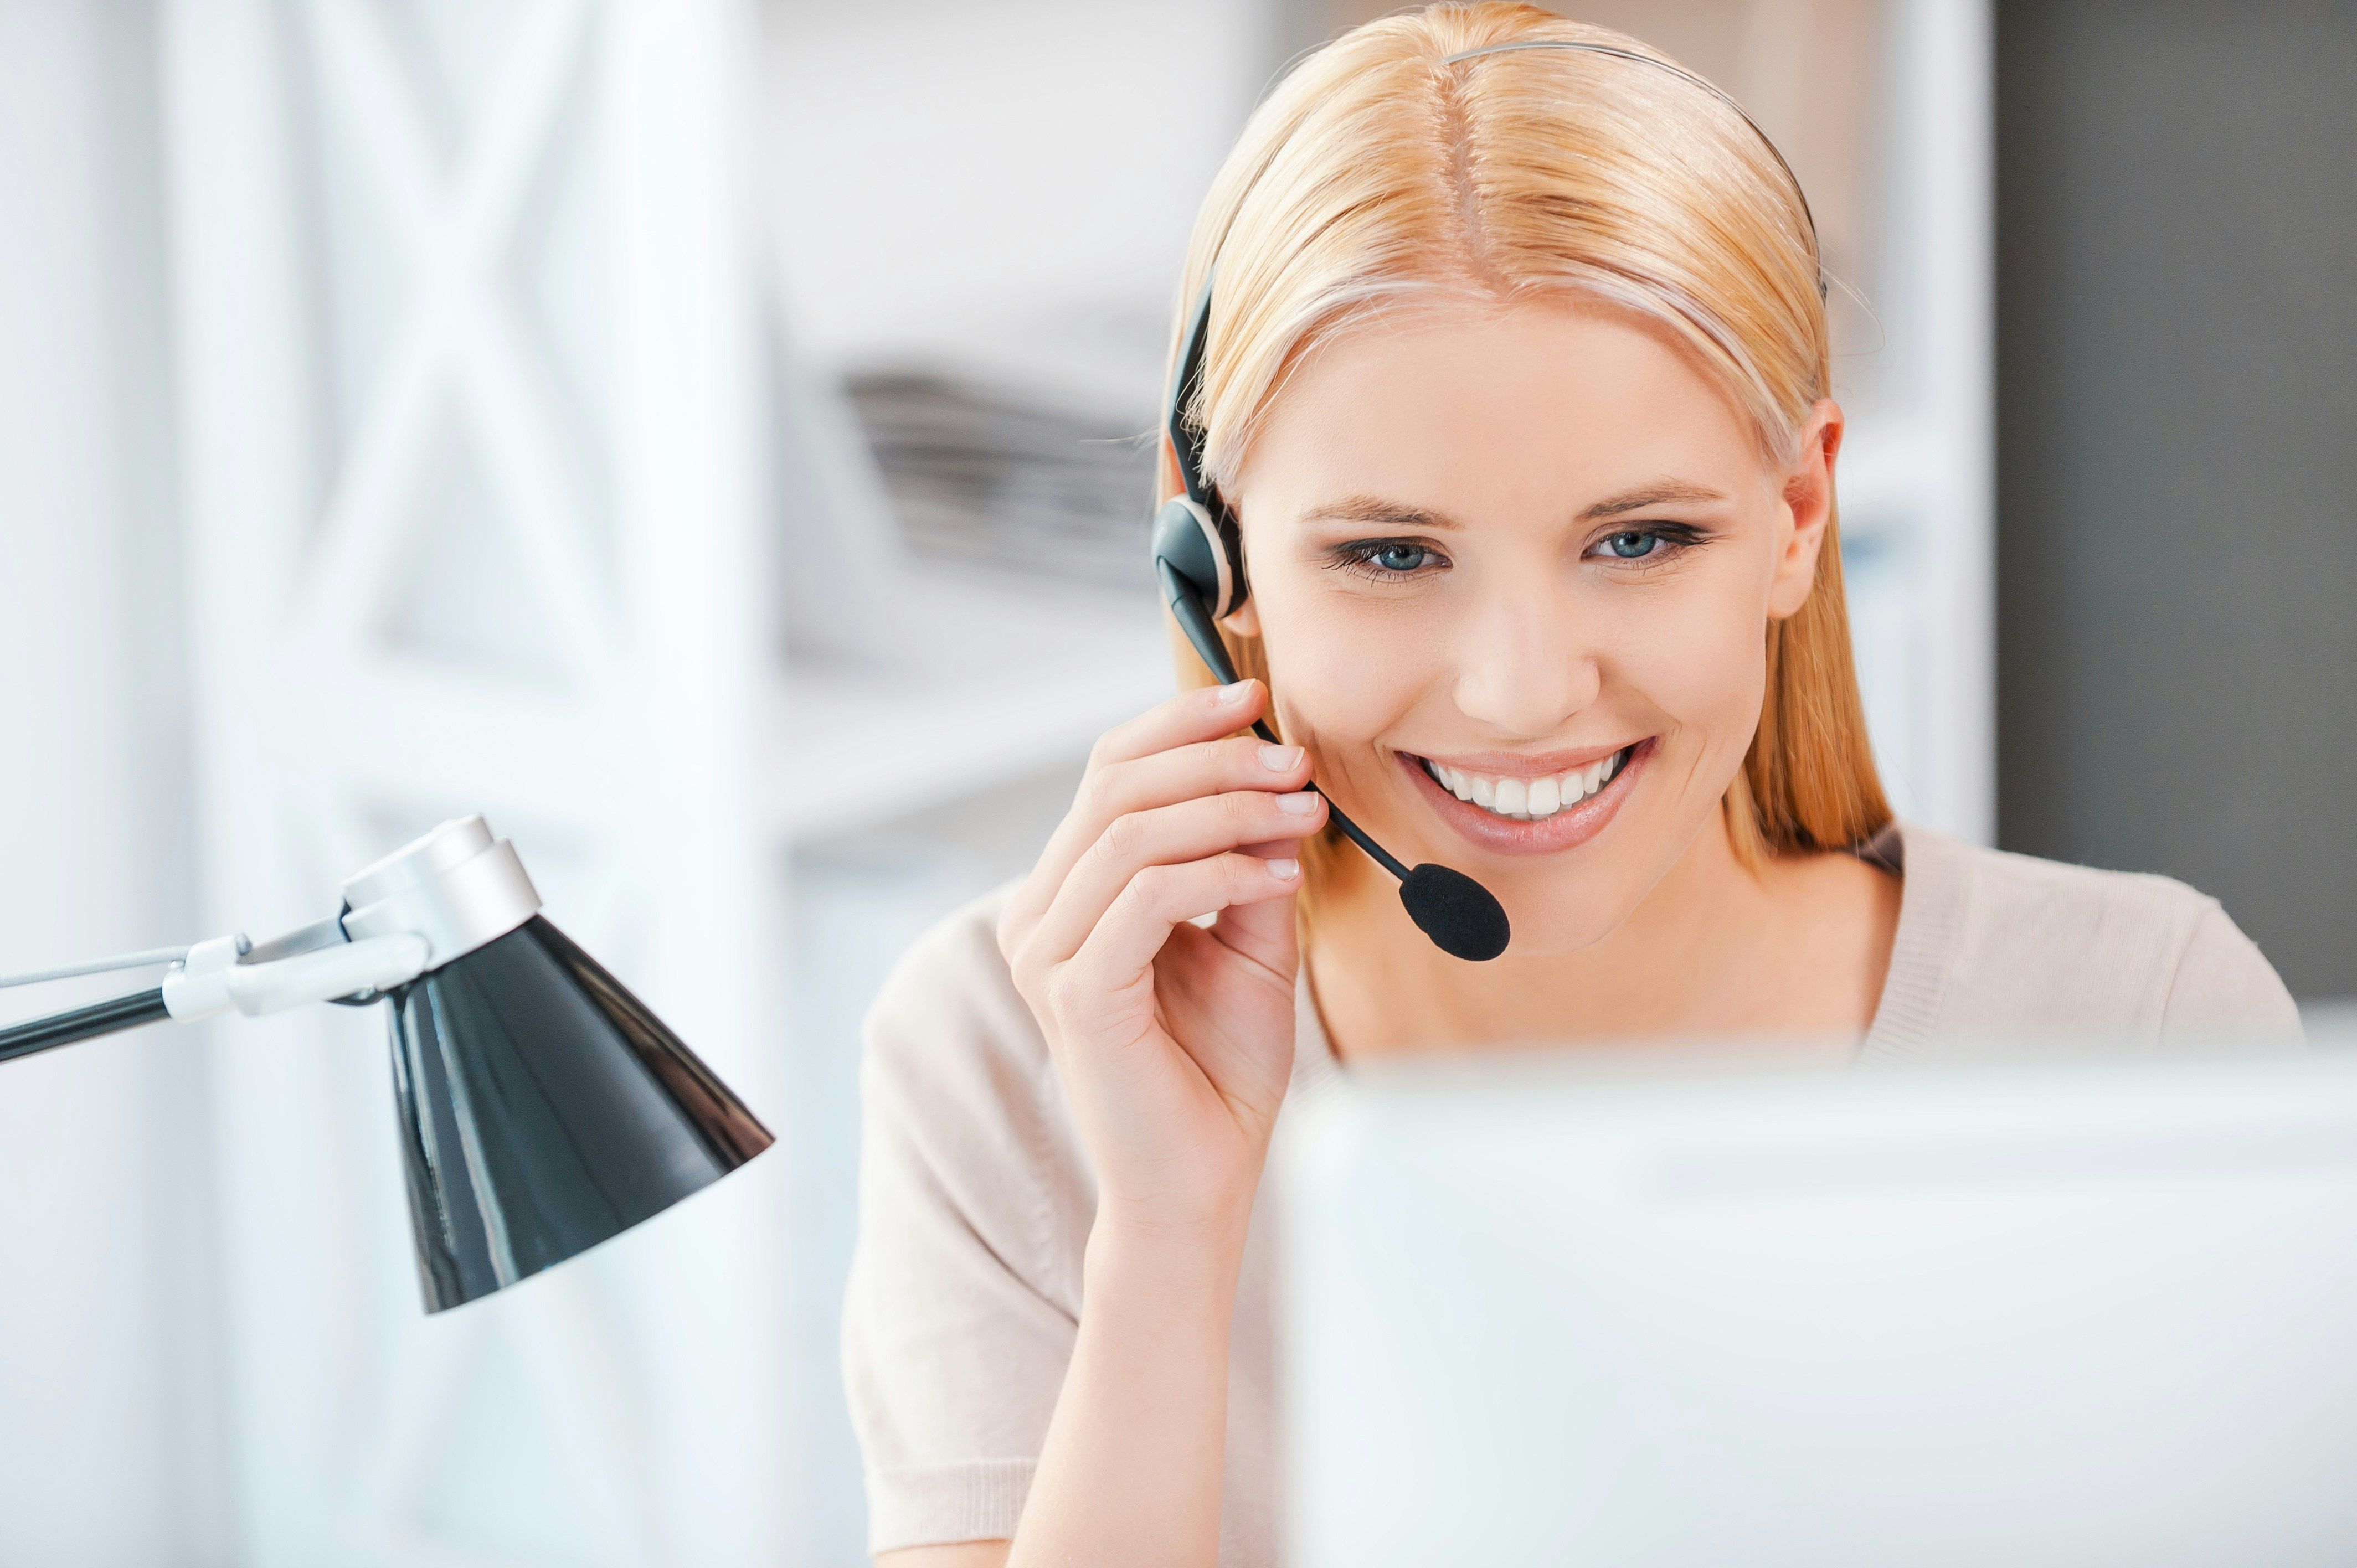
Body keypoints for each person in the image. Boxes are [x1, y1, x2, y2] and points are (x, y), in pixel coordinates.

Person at [840, 6, 2302, 1565]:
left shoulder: (2138, 1031)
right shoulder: (1014, 1049)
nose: (1525, 691)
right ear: (1219, 556)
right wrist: (1171, 1232)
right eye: (1391, 555)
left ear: (1800, 509)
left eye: (1638, 540)